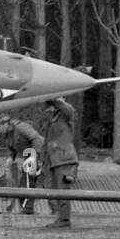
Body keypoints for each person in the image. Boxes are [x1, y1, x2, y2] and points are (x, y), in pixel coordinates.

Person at [40, 97, 79, 229]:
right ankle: (61, 217)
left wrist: (58, 99)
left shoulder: (66, 114)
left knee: (63, 190)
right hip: (55, 160)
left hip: (65, 160)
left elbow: (69, 110)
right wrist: (43, 159)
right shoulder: (53, 116)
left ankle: (64, 219)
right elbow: (47, 141)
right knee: (57, 190)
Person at [0, 112, 44, 215]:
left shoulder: (21, 127)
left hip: (36, 152)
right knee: (24, 182)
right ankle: (27, 208)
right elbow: (13, 146)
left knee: (28, 181)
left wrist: (34, 158)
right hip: (28, 154)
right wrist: (11, 157)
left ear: (5, 124)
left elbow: (36, 139)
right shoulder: (8, 133)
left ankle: (28, 209)